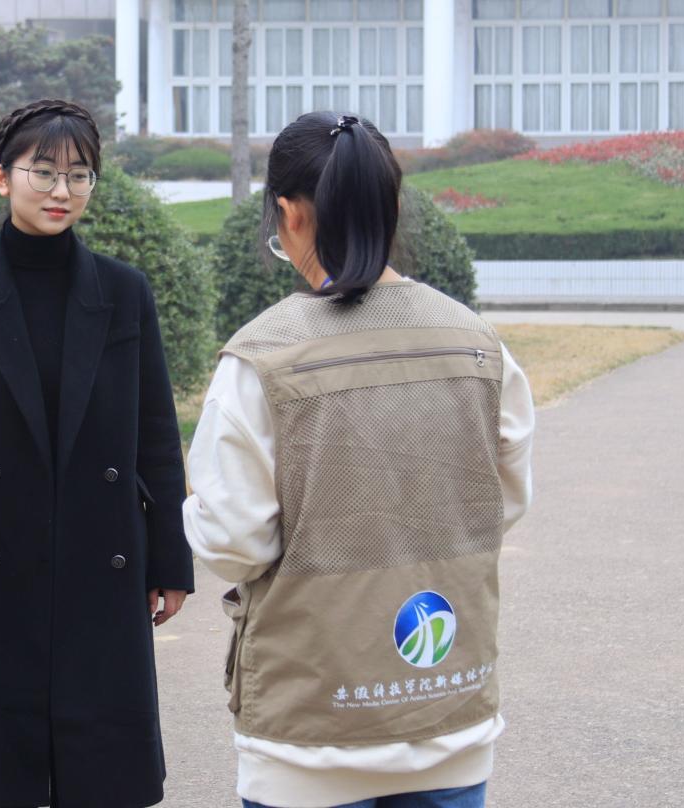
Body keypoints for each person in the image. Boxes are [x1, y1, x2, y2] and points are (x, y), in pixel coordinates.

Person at [183, 112, 535, 808]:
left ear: (288, 213)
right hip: (448, 713)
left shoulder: (260, 359)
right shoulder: (479, 345)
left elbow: (233, 541)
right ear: (391, 204)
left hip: (311, 730)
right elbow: (504, 501)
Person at [0, 98, 194, 808]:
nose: (62, 190)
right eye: (44, 172)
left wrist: (170, 561)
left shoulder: (124, 293)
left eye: (79, 175)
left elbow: (156, 435)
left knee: (102, 770)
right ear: (3, 177)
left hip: (100, 546)